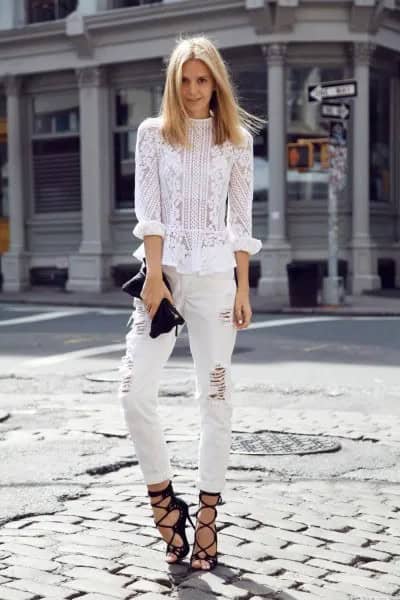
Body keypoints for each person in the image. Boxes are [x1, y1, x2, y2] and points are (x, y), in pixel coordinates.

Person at [118, 34, 264, 572]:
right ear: (172, 83)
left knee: (216, 400)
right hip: (165, 278)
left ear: (216, 83)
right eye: (184, 80)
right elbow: (149, 212)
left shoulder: (237, 141)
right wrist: (155, 278)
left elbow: (241, 222)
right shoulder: (153, 135)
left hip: (217, 285)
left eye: (203, 80)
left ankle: (206, 519)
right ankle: (164, 503)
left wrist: (243, 287)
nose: (194, 90)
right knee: (133, 393)